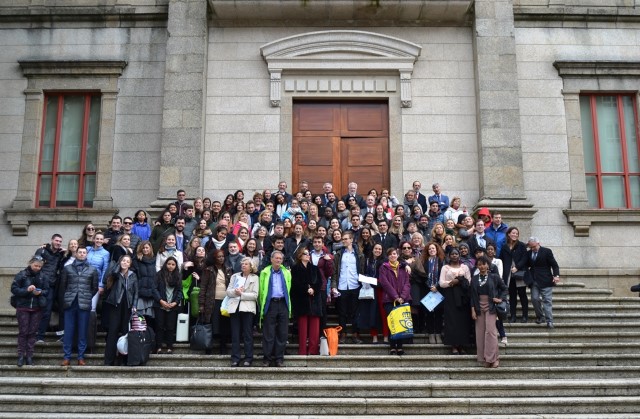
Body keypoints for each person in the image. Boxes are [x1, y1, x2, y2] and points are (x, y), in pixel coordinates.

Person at [60, 247, 99, 366]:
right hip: (70, 303)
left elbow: (94, 288)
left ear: (87, 254)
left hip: (84, 303)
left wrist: (86, 296)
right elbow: (63, 285)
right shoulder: (67, 268)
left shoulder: (92, 270)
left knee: (82, 331)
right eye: (80, 252)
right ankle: (66, 357)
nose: (82, 254)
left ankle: (80, 357)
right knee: (68, 331)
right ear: (76, 254)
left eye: (84, 252)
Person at [470, 256, 508, 368]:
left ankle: (494, 358)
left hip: (491, 306)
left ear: (488, 265)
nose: (482, 266)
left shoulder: (494, 277)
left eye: (484, 264)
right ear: (477, 266)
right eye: (480, 264)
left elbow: (504, 288)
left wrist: (500, 299)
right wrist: (472, 310)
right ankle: (485, 358)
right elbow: (472, 296)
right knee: (480, 333)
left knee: (491, 332)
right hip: (478, 306)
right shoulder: (474, 278)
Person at [11, 256, 47, 366]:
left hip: (37, 307)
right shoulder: (22, 274)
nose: (37, 268)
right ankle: (21, 355)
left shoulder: (43, 276)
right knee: (23, 332)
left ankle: (29, 356)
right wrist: (26, 290)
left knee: (32, 333)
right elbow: (14, 289)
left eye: (40, 266)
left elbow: (47, 291)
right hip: (23, 307)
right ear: (30, 263)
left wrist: (40, 292)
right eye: (36, 265)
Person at [103, 255, 138, 366]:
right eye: (123, 260)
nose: (125, 263)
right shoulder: (115, 273)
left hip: (127, 305)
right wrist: (118, 267)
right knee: (112, 332)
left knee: (125, 332)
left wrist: (135, 304)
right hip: (115, 304)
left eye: (127, 261)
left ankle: (123, 359)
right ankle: (109, 360)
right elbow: (109, 276)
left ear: (130, 264)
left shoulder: (133, 275)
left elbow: (136, 292)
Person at [259, 250, 292, 367]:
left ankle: (279, 358)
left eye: (280, 259)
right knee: (268, 332)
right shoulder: (265, 272)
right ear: (271, 259)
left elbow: (289, 289)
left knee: (282, 332)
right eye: (276, 258)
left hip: (283, 303)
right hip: (271, 304)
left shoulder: (286, 273)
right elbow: (261, 291)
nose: (278, 260)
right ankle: (267, 358)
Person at [331, 231, 364, 344]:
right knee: (342, 312)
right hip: (342, 286)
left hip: (355, 285)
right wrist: (334, 286)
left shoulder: (359, 254)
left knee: (356, 312)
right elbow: (334, 272)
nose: (343, 241)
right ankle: (343, 334)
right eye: (343, 239)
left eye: (346, 239)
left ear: (351, 240)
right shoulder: (338, 254)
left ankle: (355, 334)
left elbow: (362, 270)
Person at [378, 247, 412, 355]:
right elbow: (385, 283)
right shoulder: (384, 267)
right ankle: (392, 347)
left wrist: (402, 296)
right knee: (392, 323)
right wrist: (395, 296)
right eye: (390, 254)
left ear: (397, 255)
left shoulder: (403, 267)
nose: (393, 256)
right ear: (388, 257)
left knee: (401, 323)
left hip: (403, 299)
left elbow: (407, 283)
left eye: (394, 254)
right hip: (389, 300)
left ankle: (400, 347)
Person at [226, 257, 259, 366]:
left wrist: (242, 294)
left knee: (247, 334)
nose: (243, 265)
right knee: (235, 334)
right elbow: (228, 291)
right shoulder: (235, 276)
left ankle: (248, 358)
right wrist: (235, 291)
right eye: (242, 263)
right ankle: (235, 358)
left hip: (247, 309)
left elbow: (255, 295)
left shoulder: (255, 278)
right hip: (234, 308)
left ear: (251, 267)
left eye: (246, 264)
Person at [439, 248, 472, 355]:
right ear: (449, 256)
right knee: (452, 321)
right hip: (450, 296)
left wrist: (459, 281)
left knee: (463, 321)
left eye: (456, 254)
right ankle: (453, 345)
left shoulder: (465, 267)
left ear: (459, 255)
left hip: (463, 296)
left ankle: (462, 345)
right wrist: (452, 283)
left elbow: (469, 281)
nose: (454, 256)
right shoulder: (445, 267)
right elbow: (441, 283)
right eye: (452, 254)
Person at [291, 247, 323, 355]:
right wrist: (306, 289)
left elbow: (319, 282)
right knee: (303, 328)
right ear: (300, 256)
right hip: (302, 300)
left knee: (314, 327)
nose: (308, 255)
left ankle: (313, 350)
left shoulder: (314, 268)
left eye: (308, 253)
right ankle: (303, 350)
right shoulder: (295, 269)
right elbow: (295, 284)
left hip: (314, 299)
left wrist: (313, 289)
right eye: (305, 253)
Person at [34, 233, 66, 343]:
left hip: (52, 286)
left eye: (60, 241)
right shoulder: (41, 251)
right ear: (51, 240)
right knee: (38, 310)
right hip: (39, 285)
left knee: (47, 311)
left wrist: (66, 251)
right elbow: (34, 266)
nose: (58, 243)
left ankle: (40, 337)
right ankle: (36, 335)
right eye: (57, 241)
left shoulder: (60, 254)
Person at [199, 250, 232, 354]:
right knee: (212, 324)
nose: (221, 258)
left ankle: (223, 347)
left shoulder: (228, 269)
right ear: (214, 258)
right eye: (219, 257)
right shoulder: (208, 270)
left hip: (225, 301)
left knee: (224, 325)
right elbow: (203, 287)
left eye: (222, 256)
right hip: (212, 301)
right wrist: (201, 303)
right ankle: (208, 347)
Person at [527, 237, 561, 328]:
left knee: (547, 300)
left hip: (546, 280)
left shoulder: (547, 251)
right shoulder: (529, 253)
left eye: (534, 246)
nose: (533, 249)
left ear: (538, 243)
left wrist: (556, 276)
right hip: (534, 281)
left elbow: (554, 265)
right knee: (534, 299)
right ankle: (540, 316)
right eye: (531, 247)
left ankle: (549, 320)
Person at [499, 227, 529, 323]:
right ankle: (513, 316)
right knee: (512, 296)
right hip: (509, 275)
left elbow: (525, 258)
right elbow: (502, 259)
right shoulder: (505, 246)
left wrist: (517, 267)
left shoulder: (521, 245)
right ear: (508, 234)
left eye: (517, 233)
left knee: (522, 295)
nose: (515, 235)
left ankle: (525, 316)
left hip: (519, 274)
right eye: (513, 233)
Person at [154, 256, 183, 354]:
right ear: (166, 264)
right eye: (169, 264)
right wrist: (161, 300)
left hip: (172, 305)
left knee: (170, 327)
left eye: (173, 264)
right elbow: (154, 289)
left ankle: (169, 346)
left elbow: (180, 291)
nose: (171, 266)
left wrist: (175, 302)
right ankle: (158, 346)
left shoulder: (178, 276)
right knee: (159, 326)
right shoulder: (159, 275)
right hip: (160, 304)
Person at [133, 241, 159, 331]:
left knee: (151, 316)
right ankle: (141, 337)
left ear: (150, 248)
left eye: (147, 247)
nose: (145, 249)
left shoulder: (155, 259)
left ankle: (150, 337)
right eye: (143, 248)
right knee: (140, 316)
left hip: (152, 292)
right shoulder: (136, 260)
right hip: (141, 291)